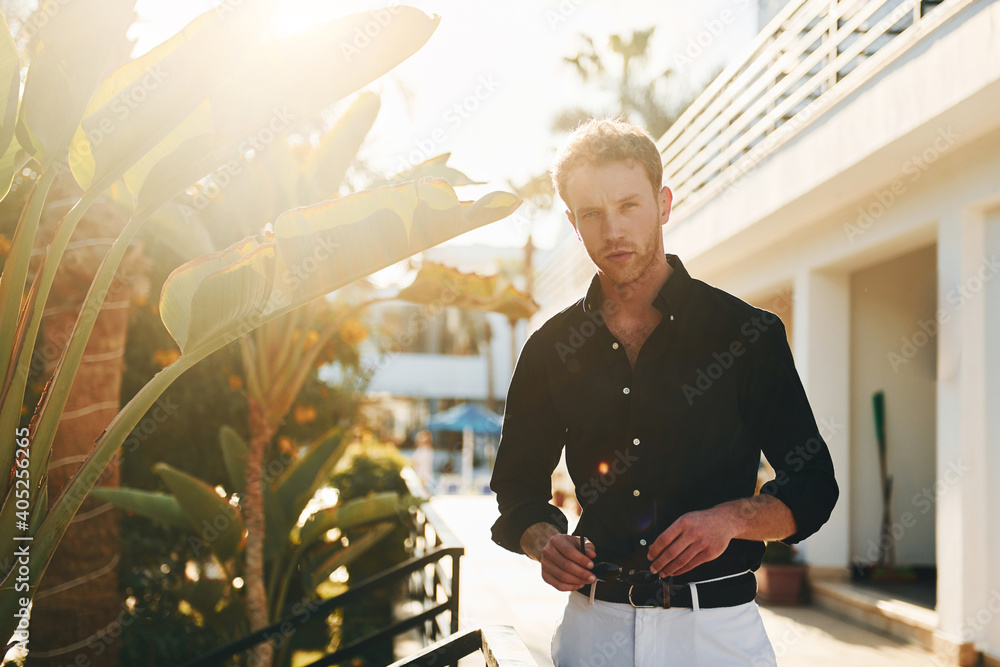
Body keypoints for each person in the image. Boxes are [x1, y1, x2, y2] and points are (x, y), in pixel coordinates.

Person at [489, 118, 838, 666]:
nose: (613, 231)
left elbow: (814, 487)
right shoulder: (550, 347)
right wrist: (543, 542)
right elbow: (515, 489)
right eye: (592, 215)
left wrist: (730, 520)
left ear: (664, 203)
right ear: (573, 224)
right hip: (592, 631)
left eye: (629, 205)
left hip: (717, 636)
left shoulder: (747, 334)